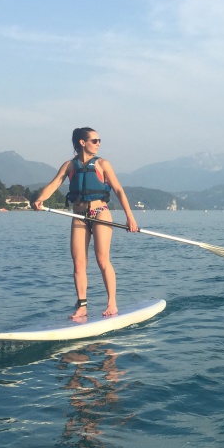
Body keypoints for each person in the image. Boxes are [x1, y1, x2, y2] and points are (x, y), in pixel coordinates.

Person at [34, 127, 139, 320]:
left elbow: (118, 190)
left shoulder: (103, 164)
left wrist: (130, 217)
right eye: (95, 140)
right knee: (78, 263)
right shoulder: (69, 166)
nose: (98, 143)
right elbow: (55, 183)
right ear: (83, 143)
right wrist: (40, 199)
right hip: (79, 216)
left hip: (100, 213)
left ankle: (112, 303)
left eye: (99, 140)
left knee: (102, 260)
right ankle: (82, 306)